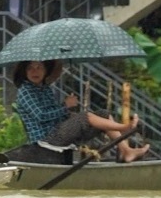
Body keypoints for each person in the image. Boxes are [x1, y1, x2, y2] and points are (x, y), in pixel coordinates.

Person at [11, 60, 148, 163]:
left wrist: (69, 110)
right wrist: (65, 106)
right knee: (84, 117)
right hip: (46, 140)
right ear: (25, 72)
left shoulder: (46, 89)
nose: (35, 72)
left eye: (39, 67)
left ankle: (126, 151)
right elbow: (41, 116)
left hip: (59, 133)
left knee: (103, 114)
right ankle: (125, 127)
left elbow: (55, 113)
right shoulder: (25, 91)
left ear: (45, 70)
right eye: (30, 68)